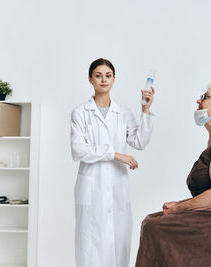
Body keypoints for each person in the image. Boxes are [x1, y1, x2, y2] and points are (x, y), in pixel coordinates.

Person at [135, 82, 211, 267]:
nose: (198, 101)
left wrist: (177, 209)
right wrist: (179, 204)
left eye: (205, 97)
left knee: (155, 227)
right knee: (152, 220)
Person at [71, 58, 155, 267]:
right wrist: (116, 155)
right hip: (92, 188)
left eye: (108, 75)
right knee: (90, 246)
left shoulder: (122, 113)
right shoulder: (81, 113)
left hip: (117, 187)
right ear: (90, 79)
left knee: (118, 244)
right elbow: (78, 150)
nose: (103, 80)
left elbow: (140, 141)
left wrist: (145, 110)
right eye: (98, 75)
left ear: (114, 79)